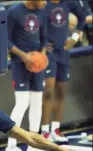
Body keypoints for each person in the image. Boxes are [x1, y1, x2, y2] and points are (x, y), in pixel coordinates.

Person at [4, 0, 48, 151]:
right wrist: (24, 56)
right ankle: (10, 148)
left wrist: (41, 55)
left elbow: (44, 38)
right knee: (22, 103)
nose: (44, 2)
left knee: (37, 102)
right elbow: (6, 40)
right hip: (19, 63)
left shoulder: (42, 12)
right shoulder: (14, 12)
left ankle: (34, 145)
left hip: (37, 65)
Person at [41, 0, 86, 142]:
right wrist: (40, 43)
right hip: (48, 54)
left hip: (64, 52)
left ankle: (55, 129)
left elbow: (82, 17)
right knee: (48, 91)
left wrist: (74, 37)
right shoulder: (42, 4)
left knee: (60, 90)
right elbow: (32, 25)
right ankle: (44, 131)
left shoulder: (69, 2)